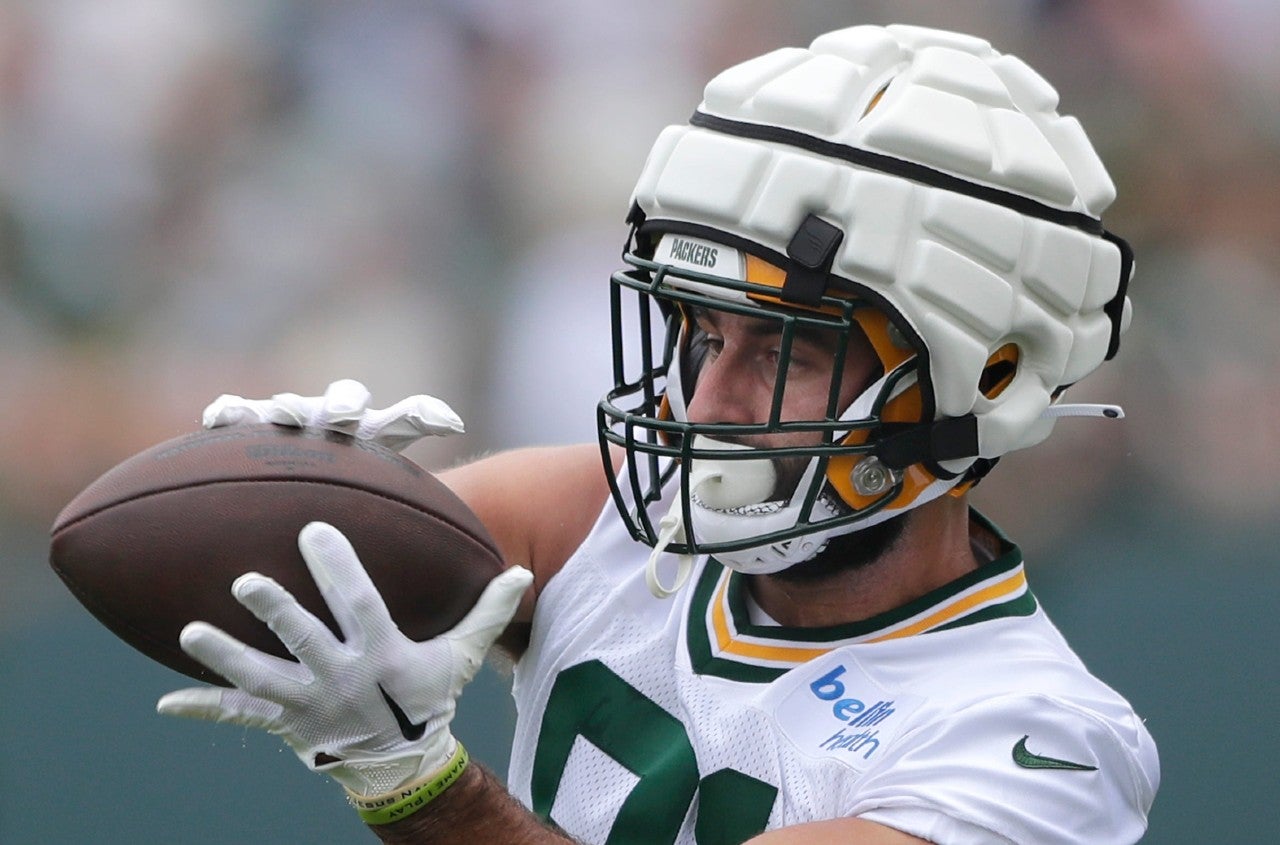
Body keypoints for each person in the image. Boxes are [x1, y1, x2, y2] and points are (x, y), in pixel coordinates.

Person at [157, 23, 1159, 845]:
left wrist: (417, 785)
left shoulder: (1038, 743)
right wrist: (304, 492)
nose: (707, 400)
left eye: (782, 352)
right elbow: (263, 580)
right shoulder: (606, 514)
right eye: (699, 332)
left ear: (982, 379)